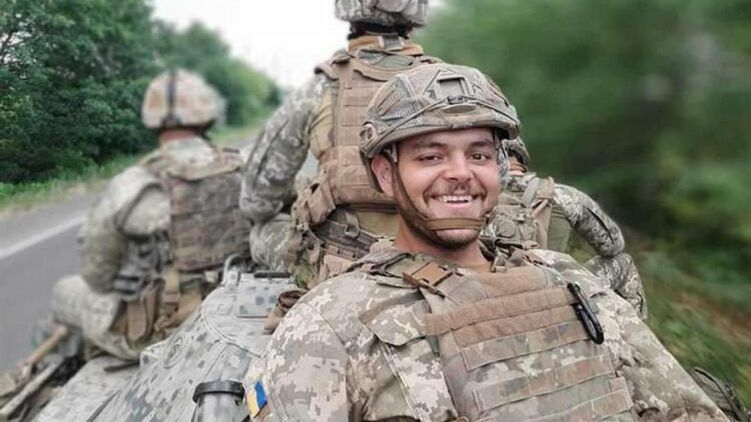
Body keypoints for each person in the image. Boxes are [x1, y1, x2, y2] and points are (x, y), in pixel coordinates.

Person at [243, 63, 726, 421]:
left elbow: (685, 409)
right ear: (386, 174)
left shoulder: (569, 279)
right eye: (431, 157)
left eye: (478, 154)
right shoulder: (330, 322)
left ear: (500, 167)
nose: (461, 174)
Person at [50, 69, 250, 360]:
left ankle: (72, 362)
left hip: (164, 332)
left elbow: (98, 277)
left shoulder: (132, 184)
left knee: (64, 290)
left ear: (152, 119)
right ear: (207, 117)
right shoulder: (244, 167)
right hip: (241, 314)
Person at [240, 0, 437, 286]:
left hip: (342, 261)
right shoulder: (451, 84)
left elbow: (256, 201)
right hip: (438, 253)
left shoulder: (320, 88)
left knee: (262, 228)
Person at [484, 137, 647, 319]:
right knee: (623, 262)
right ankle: (628, 332)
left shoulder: (471, 199)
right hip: (559, 297)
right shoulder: (561, 195)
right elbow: (613, 245)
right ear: (521, 158)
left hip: (487, 297)